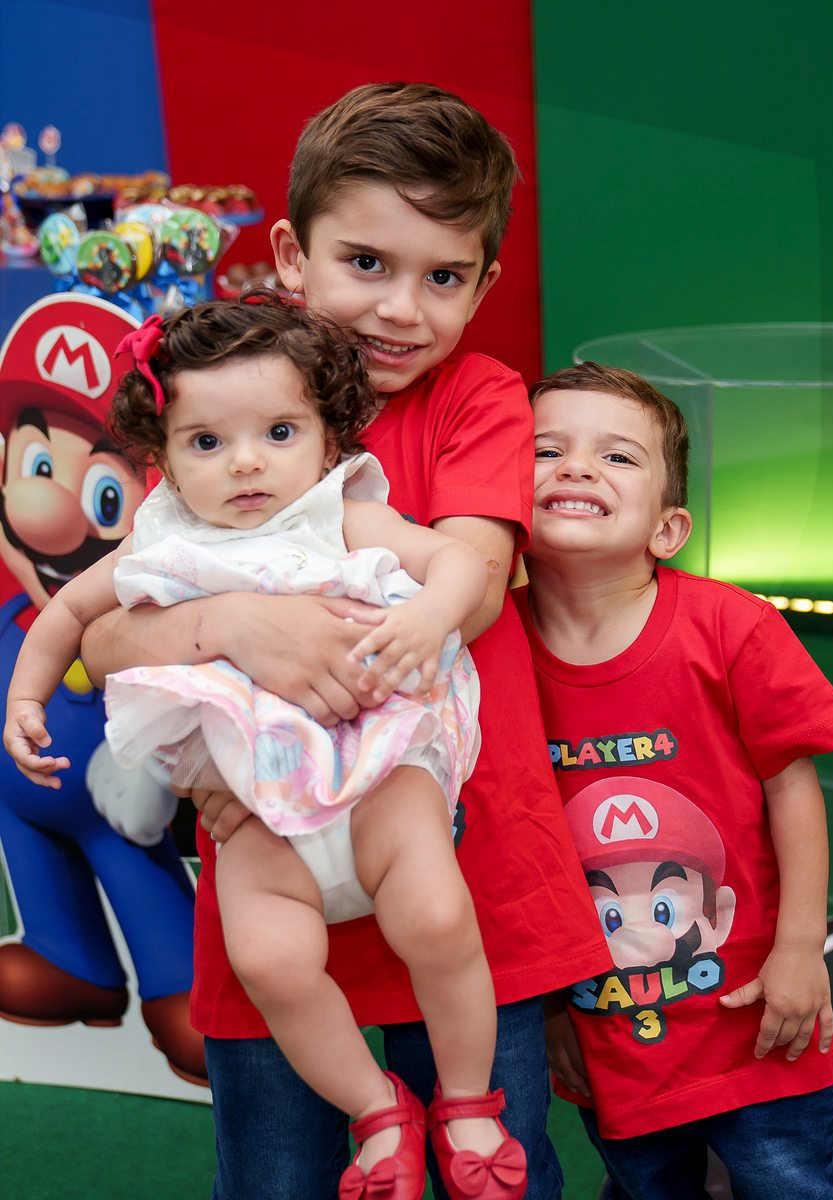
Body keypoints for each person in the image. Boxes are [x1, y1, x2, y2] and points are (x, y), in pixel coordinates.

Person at [76, 84, 612, 1200]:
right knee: (278, 1173)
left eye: (443, 277)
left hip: (454, 859)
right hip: (272, 856)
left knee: (490, 1167)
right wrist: (232, 624)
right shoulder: (220, 412)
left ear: (485, 284)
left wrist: (265, 638)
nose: (401, 308)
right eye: (365, 262)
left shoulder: (476, 400)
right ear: (291, 254)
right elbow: (112, 632)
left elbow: (468, 587)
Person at [4, 291, 531, 1199]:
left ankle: (466, 1100)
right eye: (207, 442)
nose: (246, 462)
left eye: (279, 433)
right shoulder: (160, 543)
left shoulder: (338, 512)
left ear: (326, 441)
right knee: (269, 962)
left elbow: (454, 561)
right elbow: (70, 615)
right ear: (164, 460)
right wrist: (24, 696)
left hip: (377, 770)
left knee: (437, 918)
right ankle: (376, 1110)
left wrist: (430, 616)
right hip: (254, 807)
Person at [515, 360, 833, 1200]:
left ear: (667, 529)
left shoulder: (731, 627)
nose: (576, 467)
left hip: (757, 1014)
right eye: (546, 450)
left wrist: (797, 951)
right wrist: (553, 1009)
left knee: (789, 1184)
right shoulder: (492, 651)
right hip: (609, 1028)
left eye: (616, 456)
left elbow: (792, 789)